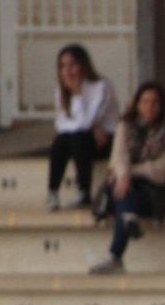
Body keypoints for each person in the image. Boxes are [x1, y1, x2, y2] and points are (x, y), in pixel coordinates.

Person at [89, 82, 165, 275]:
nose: (149, 107)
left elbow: (162, 170)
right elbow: (118, 156)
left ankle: (116, 253)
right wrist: (123, 176)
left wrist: (127, 173)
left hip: (156, 191)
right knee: (122, 191)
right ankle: (122, 237)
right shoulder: (125, 126)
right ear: (137, 104)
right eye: (145, 102)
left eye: (155, 102)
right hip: (126, 187)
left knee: (123, 194)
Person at [47, 44, 119, 211]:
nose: (68, 71)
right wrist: (92, 128)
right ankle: (52, 192)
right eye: (63, 66)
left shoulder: (101, 87)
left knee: (78, 138)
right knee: (62, 140)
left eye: (72, 65)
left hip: (106, 140)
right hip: (83, 139)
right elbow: (61, 125)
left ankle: (84, 192)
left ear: (83, 65)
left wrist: (78, 93)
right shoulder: (61, 91)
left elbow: (86, 122)